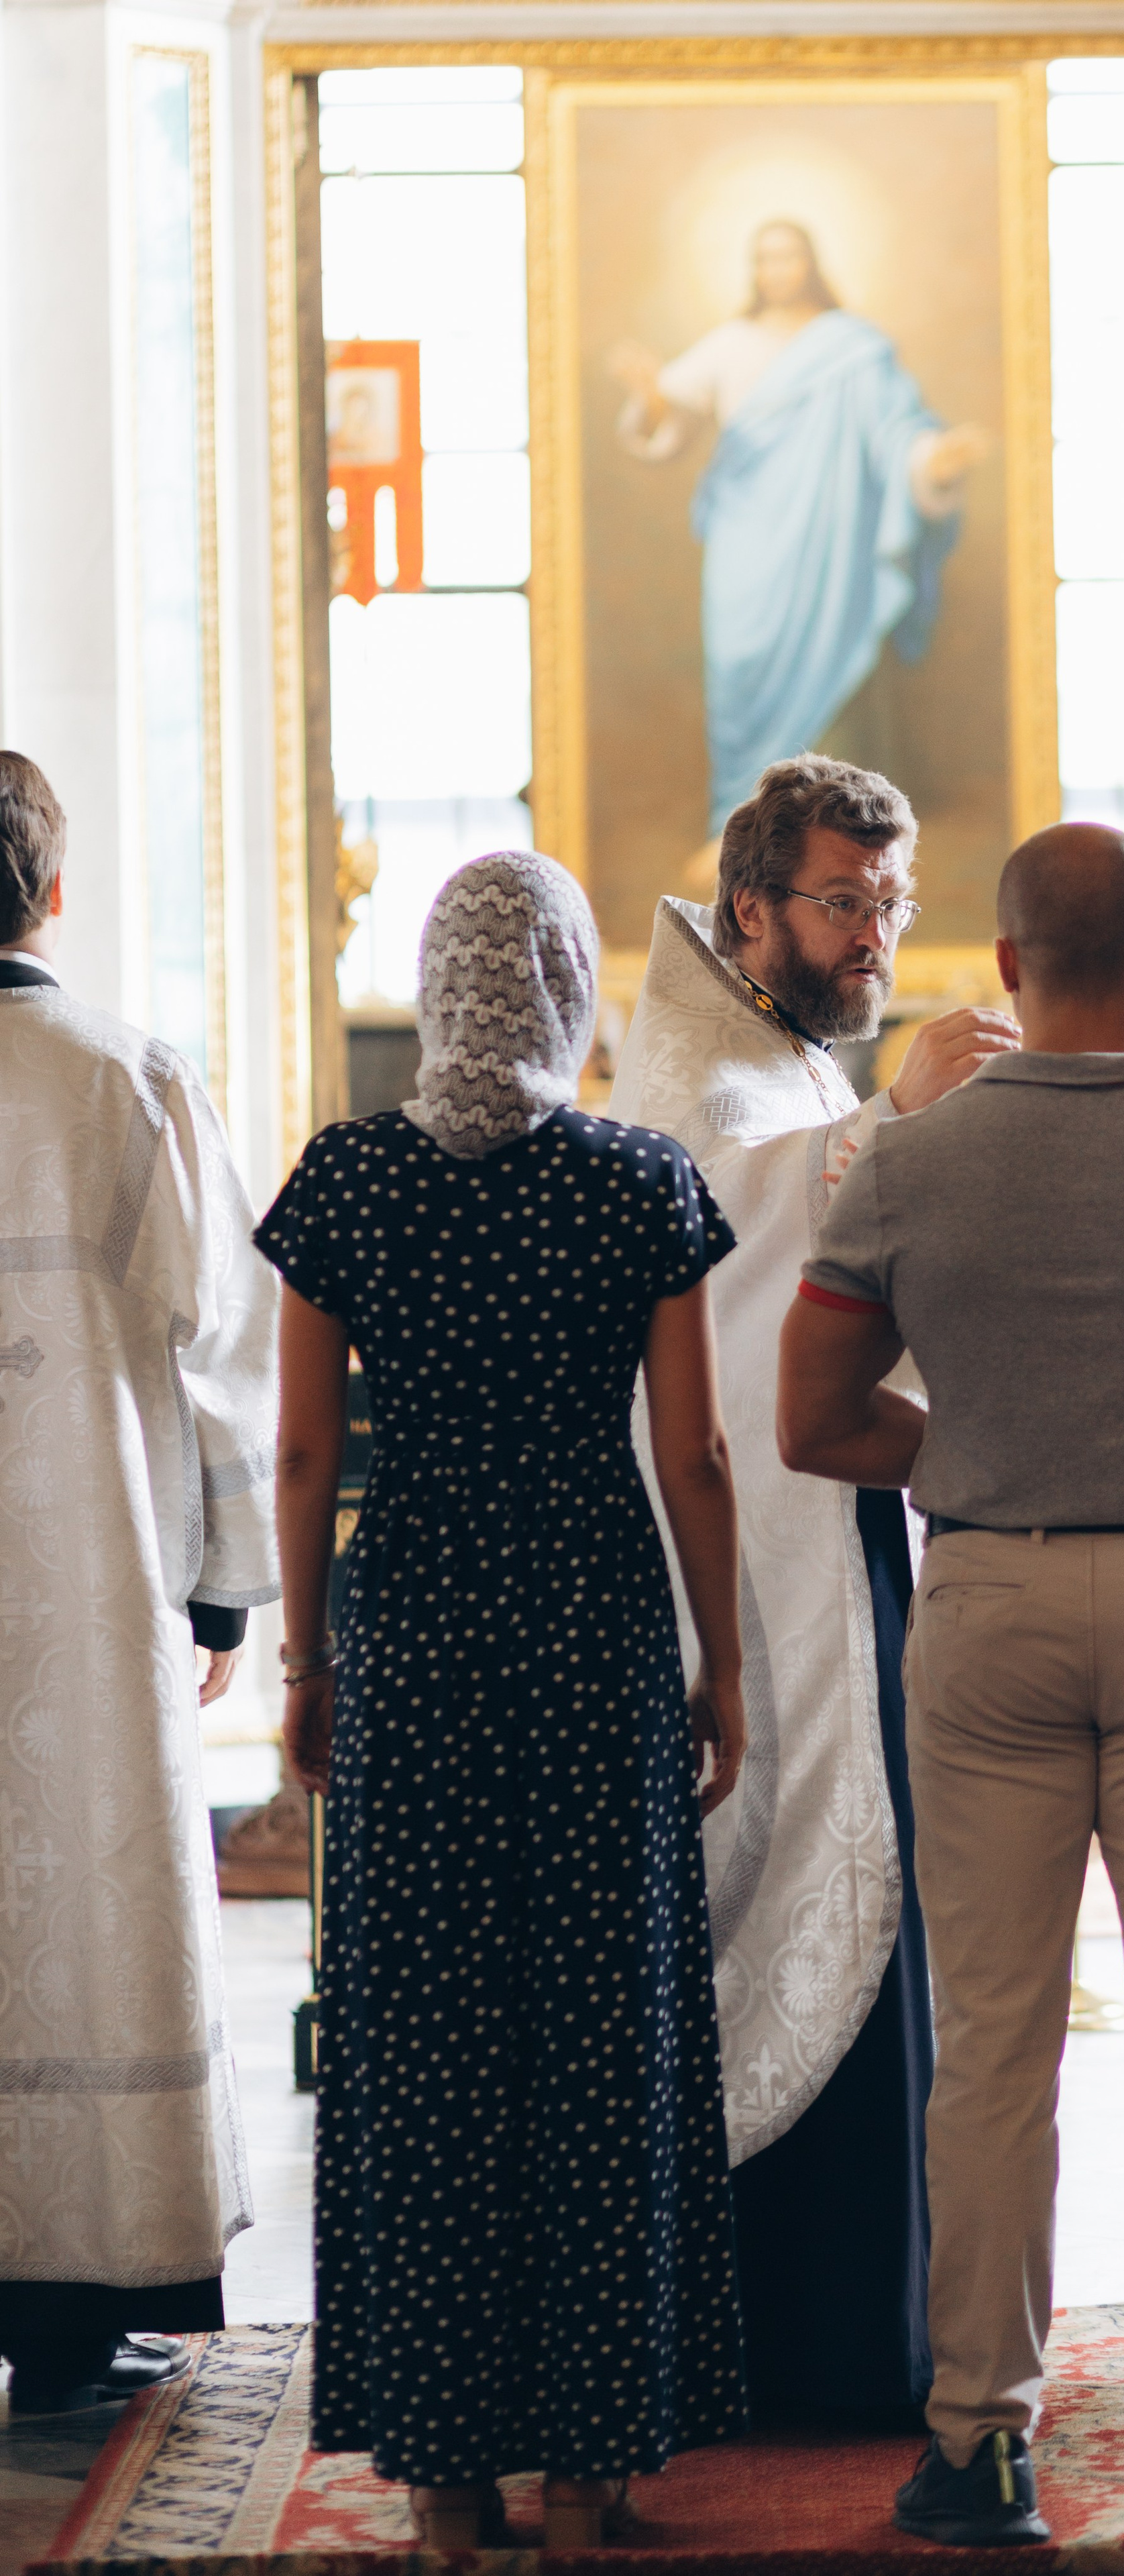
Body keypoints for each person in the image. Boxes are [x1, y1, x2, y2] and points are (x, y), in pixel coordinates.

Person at [778, 822, 1124, 2545]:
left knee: (995, 2048)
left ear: (1007, 971)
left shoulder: (909, 1163)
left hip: (991, 1598)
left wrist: (982, 1442)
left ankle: (979, 2441)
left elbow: (811, 1418)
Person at [257, 853, 747, 2546]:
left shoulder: (345, 1180)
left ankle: (450, 2482)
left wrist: (310, 1658)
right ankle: (596, 2463)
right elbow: (688, 1449)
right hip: (590, 1620)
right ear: (562, 988)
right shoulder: (639, 1181)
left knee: (425, 2033)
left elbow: (310, 1444)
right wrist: (723, 1661)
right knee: (599, 2024)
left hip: (413, 1622)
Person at [610, 752, 1019, 2424]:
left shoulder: (779, 1064)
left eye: (891, 904)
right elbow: (741, 1229)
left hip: (835, 1529)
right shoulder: (696, 1079)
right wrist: (902, 1117)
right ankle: (787, 2336)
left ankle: (868, 2324)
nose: (872, 937)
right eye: (843, 902)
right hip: (750, 1568)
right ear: (751, 908)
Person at [0, 751, 279, 2412]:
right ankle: (81, 2296)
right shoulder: (127, 1075)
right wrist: (227, 1590)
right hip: (91, 1587)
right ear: (51, 888)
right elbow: (228, 1354)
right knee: (84, 1910)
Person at [611, 220, 987, 835]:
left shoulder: (854, 347)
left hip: (826, 546)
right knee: (738, 667)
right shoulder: (731, 343)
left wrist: (932, 460)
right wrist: (650, 394)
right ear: (753, 270)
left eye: (788, 257)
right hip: (745, 534)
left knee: (830, 668)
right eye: (765, 259)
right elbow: (670, 418)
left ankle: (837, 840)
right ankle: (742, 825)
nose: (777, 270)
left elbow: (897, 435)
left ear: (810, 264)